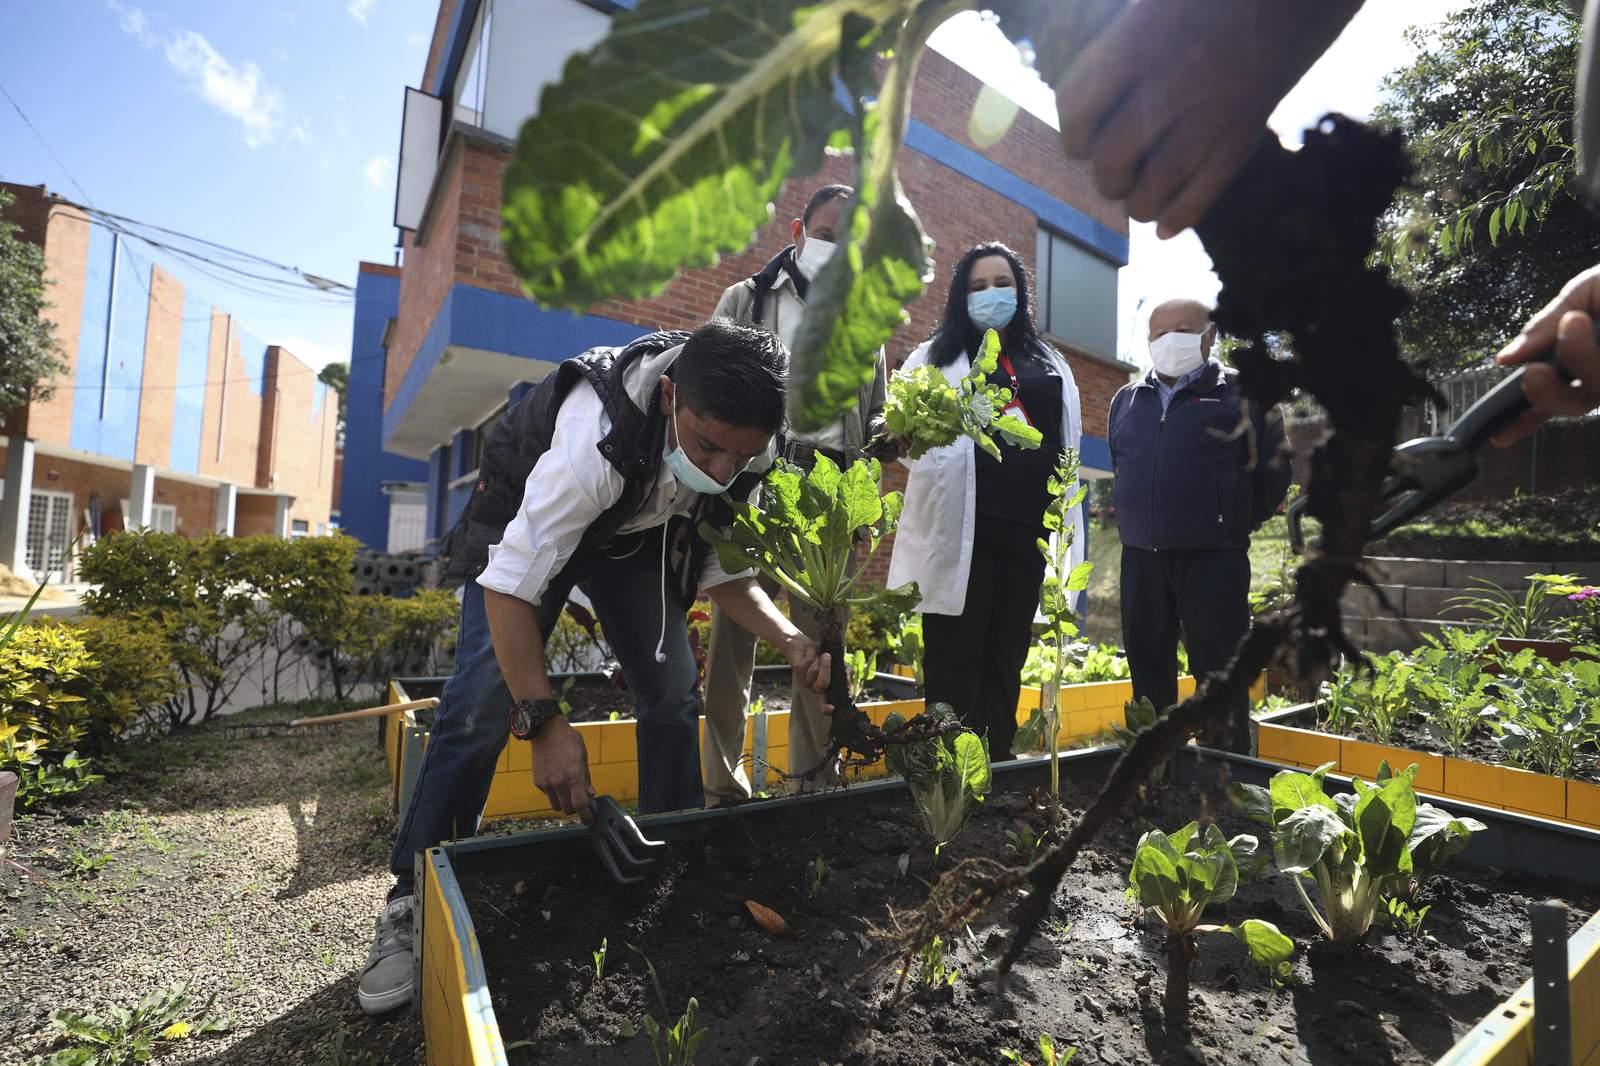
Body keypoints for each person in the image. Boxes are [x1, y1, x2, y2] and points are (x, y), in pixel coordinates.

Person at [359, 319, 832, 1014]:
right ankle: (411, 897)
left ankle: (668, 856)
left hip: (637, 536)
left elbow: (724, 573)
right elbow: (509, 584)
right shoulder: (594, 438)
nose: (723, 471)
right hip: (525, 517)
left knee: (673, 696)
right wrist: (543, 723)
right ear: (670, 396)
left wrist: (792, 640)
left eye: (743, 455)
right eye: (707, 447)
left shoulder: (744, 447)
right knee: (483, 704)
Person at [700, 183, 889, 802]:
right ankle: (722, 788)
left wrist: (865, 501)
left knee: (822, 647)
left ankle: (814, 786)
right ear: (798, 231)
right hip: (751, 483)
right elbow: (702, 390)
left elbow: (876, 420)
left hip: (829, 494)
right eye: (830, 235)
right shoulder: (745, 299)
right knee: (732, 644)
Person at [887, 242, 1083, 762]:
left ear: (1021, 293)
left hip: (1027, 535)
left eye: (1002, 284)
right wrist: (900, 437)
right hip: (958, 536)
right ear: (959, 296)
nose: (991, 294)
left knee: (1006, 651)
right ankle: (950, 765)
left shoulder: (1050, 362)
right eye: (977, 286)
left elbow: (1069, 445)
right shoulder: (932, 358)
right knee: (954, 650)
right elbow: (904, 442)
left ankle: (996, 761)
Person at [1108, 299, 1291, 752]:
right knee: (1148, 669)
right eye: (1159, 334)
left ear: (1209, 336)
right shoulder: (1127, 400)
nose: (1169, 340)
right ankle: (1154, 772)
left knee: (1219, 673)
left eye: (1183, 329)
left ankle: (1226, 776)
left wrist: (1233, 523)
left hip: (1215, 559)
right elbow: (1121, 465)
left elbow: (1275, 468)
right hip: (1141, 559)